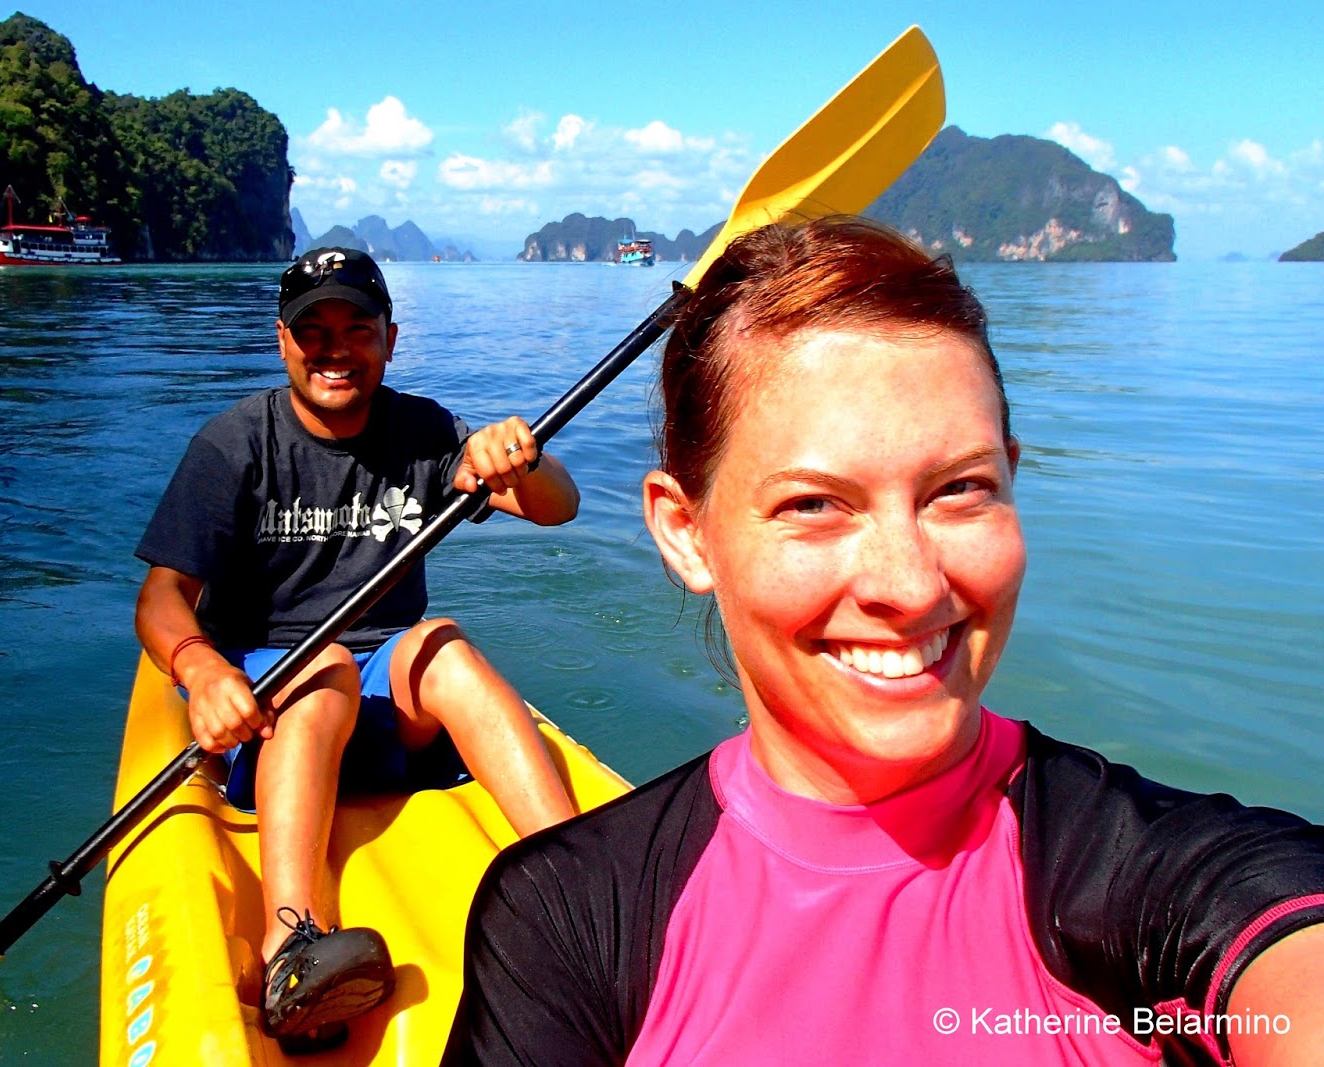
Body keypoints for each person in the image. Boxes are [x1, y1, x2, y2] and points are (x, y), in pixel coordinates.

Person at [442, 217, 1324, 1066]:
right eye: (814, 503)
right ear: (685, 533)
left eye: (959, 489)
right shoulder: (565, 919)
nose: (909, 585)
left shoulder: (1164, 878)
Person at [134, 247, 579, 1049]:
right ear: (283, 342)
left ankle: (580, 878)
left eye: (356, 329)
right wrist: (200, 668)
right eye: (314, 330)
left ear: (390, 339)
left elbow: (558, 508)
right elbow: (163, 595)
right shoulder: (234, 444)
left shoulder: (426, 431)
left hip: (388, 710)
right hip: (274, 712)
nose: (334, 348)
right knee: (326, 664)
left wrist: (520, 456)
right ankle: (291, 948)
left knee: (443, 644)